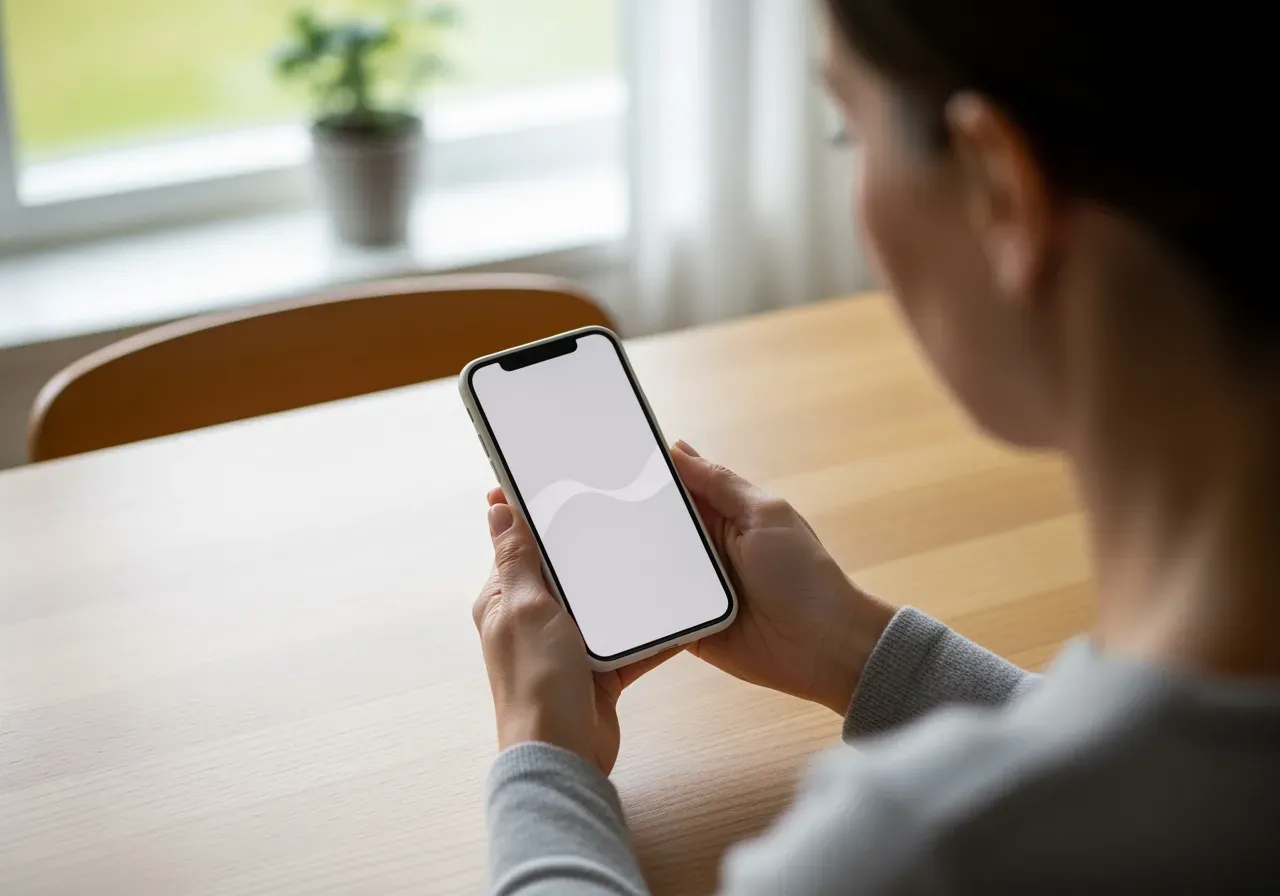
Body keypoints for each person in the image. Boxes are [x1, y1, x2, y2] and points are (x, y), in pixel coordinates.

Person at [470, 0, 1278, 892]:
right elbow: (1170, 784)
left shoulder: (916, 852)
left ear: (997, 187)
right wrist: (855, 649)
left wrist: (543, 758)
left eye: (845, 131)